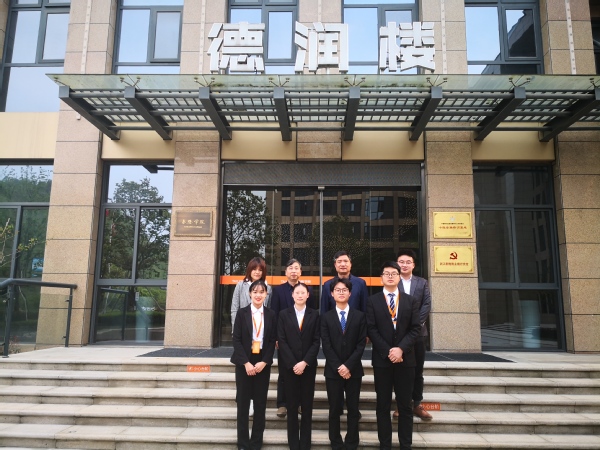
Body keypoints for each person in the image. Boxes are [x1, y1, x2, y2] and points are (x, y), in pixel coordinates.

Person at [366, 261, 420, 450]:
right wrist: (388, 351)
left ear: (399, 277)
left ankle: (406, 445)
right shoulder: (372, 301)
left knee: (405, 406)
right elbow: (371, 329)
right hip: (382, 361)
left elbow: (415, 329)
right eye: (386, 273)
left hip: (406, 360)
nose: (390, 276)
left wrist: (400, 349)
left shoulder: (410, 301)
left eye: (394, 273)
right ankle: (385, 445)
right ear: (381, 277)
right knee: (382, 406)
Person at [321, 277, 367, 450]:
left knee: (353, 409)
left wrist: (348, 366)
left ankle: (352, 442)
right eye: (337, 290)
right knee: (334, 409)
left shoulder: (360, 316)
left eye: (344, 290)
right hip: (333, 372)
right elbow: (326, 345)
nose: (341, 293)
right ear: (332, 294)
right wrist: (339, 366)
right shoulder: (325, 317)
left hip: (354, 371)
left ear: (350, 293)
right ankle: (336, 442)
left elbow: (361, 344)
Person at [231, 279, 277, 450]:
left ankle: (256, 442)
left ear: (266, 294)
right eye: (255, 292)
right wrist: (246, 363)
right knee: (243, 404)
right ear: (250, 294)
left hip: (262, 361)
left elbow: (272, 340)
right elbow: (236, 340)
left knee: (260, 404)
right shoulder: (242, 313)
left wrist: (265, 361)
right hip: (244, 361)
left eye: (261, 292)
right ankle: (243, 443)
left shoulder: (271, 314)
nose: (258, 295)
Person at [277, 282, 320, 450]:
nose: (300, 295)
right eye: (297, 293)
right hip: (289, 367)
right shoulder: (283, 314)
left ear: (308, 295)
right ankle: (294, 444)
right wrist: (294, 363)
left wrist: (304, 362)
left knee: (307, 407)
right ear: (292, 295)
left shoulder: (314, 315)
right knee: (292, 406)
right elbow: (282, 340)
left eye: (303, 292)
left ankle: (305, 444)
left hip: (308, 367)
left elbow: (316, 341)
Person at [270, 258, 315, 418]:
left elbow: (312, 314)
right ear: (286, 271)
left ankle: (301, 403)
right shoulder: (278, 290)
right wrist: (276, 337)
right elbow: (274, 314)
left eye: (297, 268)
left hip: (304, 338)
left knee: (303, 372)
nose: (294, 271)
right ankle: (282, 404)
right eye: (291, 268)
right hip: (284, 339)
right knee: (284, 371)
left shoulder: (307, 290)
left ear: (301, 272)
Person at [394, 249, 433, 421]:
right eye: (401, 262)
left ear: (413, 265)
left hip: (418, 334)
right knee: (400, 371)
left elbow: (426, 304)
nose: (404, 265)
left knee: (418, 370)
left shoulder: (422, 282)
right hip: (398, 335)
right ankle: (401, 404)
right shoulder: (392, 282)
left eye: (408, 262)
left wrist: (415, 324)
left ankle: (417, 404)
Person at [231, 257, 272, 329]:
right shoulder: (240, 285)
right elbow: (234, 309)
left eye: (260, 270)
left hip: (261, 327)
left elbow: (268, 309)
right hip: (243, 326)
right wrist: (235, 329)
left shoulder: (268, 288)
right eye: (254, 269)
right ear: (249, 270)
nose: (257, 272)